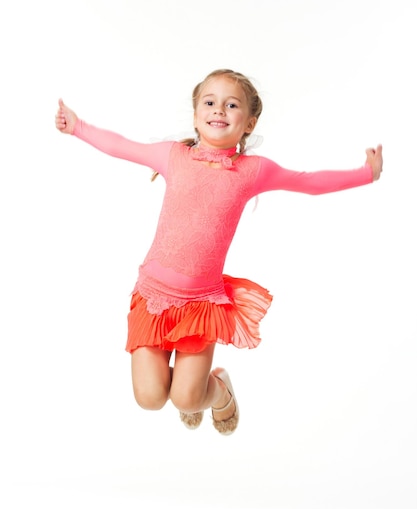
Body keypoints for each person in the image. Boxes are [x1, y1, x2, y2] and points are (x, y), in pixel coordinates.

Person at [55, 68, 383, 435]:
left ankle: (220, 390)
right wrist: (77, 127)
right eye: (210, 103)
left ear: (249, 122)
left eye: (231, 105)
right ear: (196, 115)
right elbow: (121, 146)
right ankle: (188, 385)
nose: (219, 111)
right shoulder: (172, 156)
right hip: (153, 298)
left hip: (200, 304)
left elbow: (306, 182)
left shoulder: (253, 170)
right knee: (149, 398)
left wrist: (364, 174)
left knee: (187, 399)